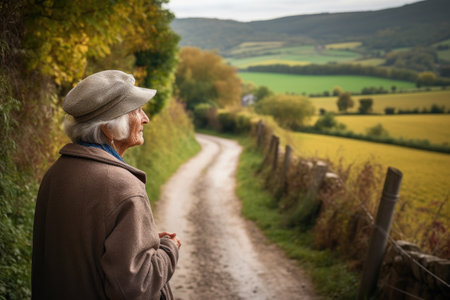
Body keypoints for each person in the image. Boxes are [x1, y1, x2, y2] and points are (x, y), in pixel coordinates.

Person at [32, 70, 181, 300]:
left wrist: (144, 242)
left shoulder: (56, 173)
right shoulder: (124, 188)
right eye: (136, 111)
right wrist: (168, 250)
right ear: (109, 128)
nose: (145, 118)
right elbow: (134, 289)